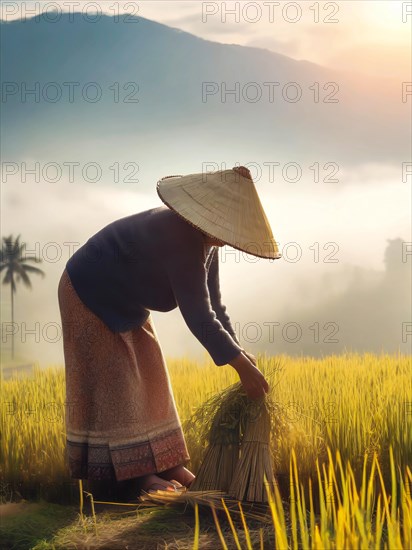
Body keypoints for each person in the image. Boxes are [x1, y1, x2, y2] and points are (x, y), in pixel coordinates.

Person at [57, 165, 281, 495]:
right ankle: (133, 478)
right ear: (208, 216)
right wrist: (239, 365)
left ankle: (168, 464)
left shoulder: (207, 244)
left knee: (151, 374)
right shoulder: (179, 235)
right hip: (88, 291)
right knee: (117, 382)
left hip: (126, 301)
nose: (229, 238)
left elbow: (215, 304)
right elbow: (197, 312)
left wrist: (237, 349)